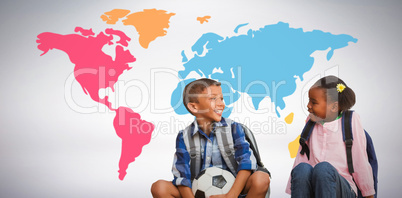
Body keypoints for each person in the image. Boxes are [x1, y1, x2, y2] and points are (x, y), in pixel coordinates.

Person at [151, 78, 270, 198]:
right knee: (159, 187)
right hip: (198, 192)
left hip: (235, 190)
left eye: (221, 98)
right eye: (213, 98)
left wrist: (231, 195)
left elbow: (247, 163)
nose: (221, 103)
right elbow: (182, 177)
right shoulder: (184, 136)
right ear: (194, 107)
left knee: (261, 179)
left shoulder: (234, 128)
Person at [286, 76, 375, 198]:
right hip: (313, 188)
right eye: (308, 101)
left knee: (323, 169)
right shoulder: (311, 122)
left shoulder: (350, 121)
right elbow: (302, 157)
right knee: (301, 168)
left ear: (333, 107)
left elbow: (360, 160)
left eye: (314, 102)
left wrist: (369, 194)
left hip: (342, 188)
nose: (308, 106)